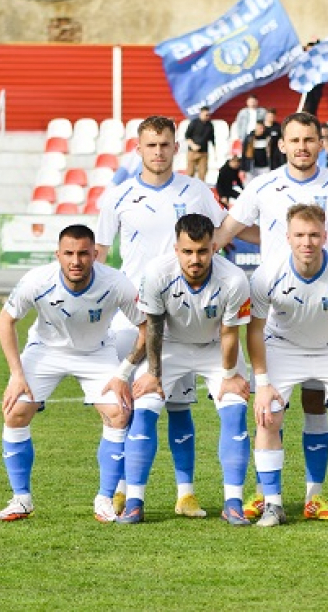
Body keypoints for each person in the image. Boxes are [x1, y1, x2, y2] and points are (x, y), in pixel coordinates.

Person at [213, 111, 328, 521]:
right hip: (281, 319)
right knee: (270, 411)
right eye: (294, 139)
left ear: (322, 144)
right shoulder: (262, 186)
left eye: (310, 139)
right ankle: (272, 501)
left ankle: (318, 497)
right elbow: (227, 232)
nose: (302, 146)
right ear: (282, 145)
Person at [95, 115, 228, 519]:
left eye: (165, 144)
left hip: (184, 315)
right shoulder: (116, 196)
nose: (158, 152)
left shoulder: (197, 191)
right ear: (139, 148)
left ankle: (185, 494)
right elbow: (100, 255)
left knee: (179, 407)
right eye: (151, 145)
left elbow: (216, 241)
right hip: (132, 318)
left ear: (176, 147)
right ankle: (118, 491)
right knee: (127, 407)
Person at [0, 224, 147, 523]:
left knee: (118, 413)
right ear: (58, 255)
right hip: (45, 351)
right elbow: (4, 321)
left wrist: (123, 372)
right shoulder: (37, 280)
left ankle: (104, 498)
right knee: (15, 411)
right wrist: (17, 374)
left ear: (95, 254)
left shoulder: (116, 283)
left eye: (83, 254)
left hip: (97, 352)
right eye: (69, 254)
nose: (76, 261)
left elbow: (147, 327)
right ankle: (21, 499)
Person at [114, 214, 254, 525]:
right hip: (171, 344)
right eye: (188, 252)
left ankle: (233, 502)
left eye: (202, 251)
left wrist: (230, 377)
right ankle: (135, 502)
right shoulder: (156, 273)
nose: (195, 259)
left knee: (234, 409)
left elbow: (231, 334)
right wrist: (153, 374)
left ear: (213, 248)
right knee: (146, 407)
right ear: (176, 248)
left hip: (216, 347)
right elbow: (152, 326)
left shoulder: (234, 279)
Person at [246, 203, 328, 529]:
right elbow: (254, 330)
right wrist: (261, 384)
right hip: (282, 347)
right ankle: (273, 505)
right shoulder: (267, 273)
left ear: (325, 236)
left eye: (314, 235)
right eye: (300, 235)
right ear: (287, 237)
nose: (307, 242)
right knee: (267, 416)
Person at [182, 107, 215, 181]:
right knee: (190, 172)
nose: (207, 117)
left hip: (204, 152)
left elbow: (212, 138)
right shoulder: (194, 123)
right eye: (206, 115)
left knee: (202, 173)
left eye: (208, 115)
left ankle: (201, 188)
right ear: (201, 113)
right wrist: (193, 145)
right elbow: (187, 136)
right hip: (193, 151)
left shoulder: (210, 125)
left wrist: (215, 152)